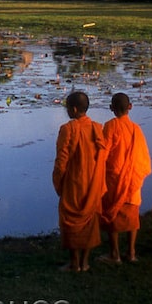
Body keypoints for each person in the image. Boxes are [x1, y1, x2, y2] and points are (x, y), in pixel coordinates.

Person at [52, 91, 108, 271]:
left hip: (75, 182)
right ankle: (85, 262)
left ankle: (74, 263)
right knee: (90, 219)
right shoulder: (97, 128)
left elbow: (62, 160)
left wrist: (58, 182)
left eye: (68, 108)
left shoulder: (68, 129)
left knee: (71, 219)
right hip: (93, 181)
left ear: (74, 109)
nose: (67, 112)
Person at [99, 93, 151, 264]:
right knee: (132, 215)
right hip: (133, 178)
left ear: (111, 108)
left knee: (112, 214)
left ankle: (115, 254)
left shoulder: (110, 126)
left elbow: (103, 153)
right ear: (130, 107)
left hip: (115, 178)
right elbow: (143, 156)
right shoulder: (137, 128)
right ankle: (131, 252)